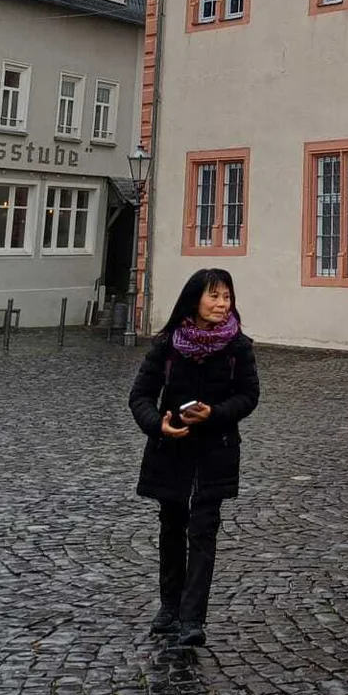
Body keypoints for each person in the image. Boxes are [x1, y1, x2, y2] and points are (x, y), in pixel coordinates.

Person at [126, 267, 261, 647]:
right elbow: (140, 396)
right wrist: (159, 424)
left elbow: (248, 396)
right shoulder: (168, 344)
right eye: (214, 296)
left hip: (215, 451)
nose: (222, 304)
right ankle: (169, 606)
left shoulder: (238, 346)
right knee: (171, 528)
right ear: (195, 299)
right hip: (171, 448)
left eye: (227, 297)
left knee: (203, 531)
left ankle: (192, 618)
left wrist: (214, 414)